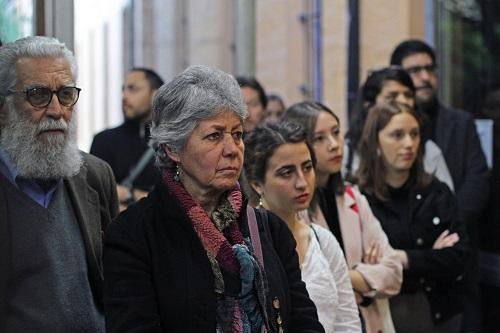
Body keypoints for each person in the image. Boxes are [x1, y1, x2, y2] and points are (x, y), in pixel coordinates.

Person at [103, 65, 325, 333]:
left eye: (238, 134)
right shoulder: (133, 236)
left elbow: (305, 323)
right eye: (215, 136)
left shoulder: (270, 230)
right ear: (173, 148)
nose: (233, 149)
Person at [0, 36, 118, 332]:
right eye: (38, 94)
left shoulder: (96, 175)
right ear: (3, 109)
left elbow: (116, 283)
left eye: (65, 94)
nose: (56, 111)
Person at [390, 39, 489, 332]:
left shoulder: (460, 123)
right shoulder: (381, 131)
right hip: (404, 285)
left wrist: (443, 224)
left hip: (454, 259)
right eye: (415, 70)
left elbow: (477, 182)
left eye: (430, 69)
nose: (424, 77)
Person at [283, 101, 402, 333]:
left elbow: (394, 272)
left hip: (369, 324)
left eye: (336, 133)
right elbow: (308, 287)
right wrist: (364, 277)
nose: (335, 145)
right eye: (319, 138)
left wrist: (341, 278)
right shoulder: (293, 206)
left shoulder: (353, 197)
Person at [356, 102, 469, 332]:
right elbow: (361, 269)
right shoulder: (358, 198)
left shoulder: (437, 192)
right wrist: (430, 257)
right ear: (375, 142)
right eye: (397, 135)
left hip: (439, 313)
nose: (409, 143)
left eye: (414, 134)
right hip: (384, 315)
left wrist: (400, 257)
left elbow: (458, 258)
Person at [244, 121, 361, 332]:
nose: (302, 182)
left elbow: (347, 322)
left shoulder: (322, 240)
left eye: (307, 168)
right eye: (286, 173)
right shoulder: (247, 245)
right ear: (256, 183)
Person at [345, 66, 453, 190]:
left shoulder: (428, 151)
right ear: (369, 104)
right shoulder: (348, 153)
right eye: (392, 96)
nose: (403, 101)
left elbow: (447, 199)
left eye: (408, 95)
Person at [90, 68, 163, 211]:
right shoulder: (104, 141)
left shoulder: (173, 143)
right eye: (123, 90)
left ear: (156, 94)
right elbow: (94, 198)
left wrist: (127, 194)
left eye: (133, 89)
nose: (124, 96)